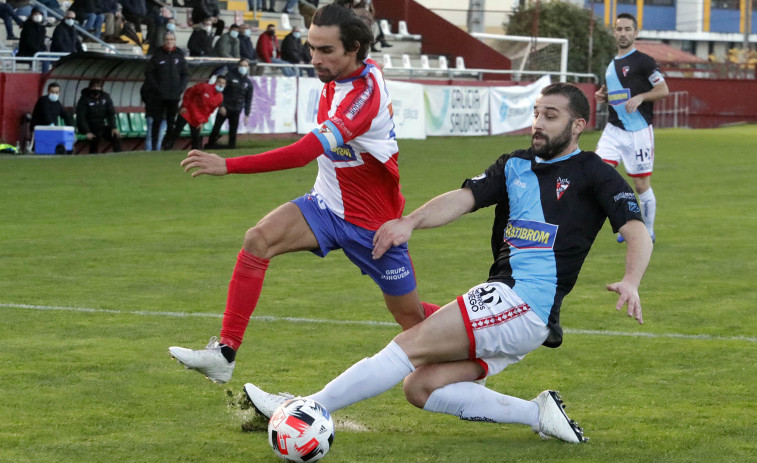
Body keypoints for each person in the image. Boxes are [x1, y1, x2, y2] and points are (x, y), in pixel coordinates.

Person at [244, 82, 654, 445]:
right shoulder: (513, 164)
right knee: (421, 387)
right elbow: (462, 199)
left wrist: (631, 280)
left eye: (551, 116)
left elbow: (636, 230)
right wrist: (410, 221)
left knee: (410, 345)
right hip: (512, 306)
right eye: (536, 113)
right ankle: (539, 413)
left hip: (525, 301)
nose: (538, 123)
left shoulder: (594, 173)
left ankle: (302, 408)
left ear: (578, 125)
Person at [169, 4, 440, 384]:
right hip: (325, 206)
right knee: (257, 239)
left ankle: (480, 327)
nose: (314, 58)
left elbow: (300, 154)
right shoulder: (343, 72)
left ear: (354, 49)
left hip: (373, 227)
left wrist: (227, 165)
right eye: (312, 47)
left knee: (410, 318)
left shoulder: (362, 98)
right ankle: (224, 354)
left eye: (325, 50)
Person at [594, 13, 668, 244]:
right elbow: (613, 93)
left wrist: (642, 97)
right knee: (597, 174)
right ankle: (623, 224)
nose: (623, 33)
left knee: (640, 184)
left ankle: (648, 231)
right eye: (619, 29)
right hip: (613, 131)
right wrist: (602, 95)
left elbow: (663, 90)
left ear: (636, 33)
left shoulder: (644, 61)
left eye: (628, 29)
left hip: (638, 132)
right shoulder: (611, 65)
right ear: (614, 33)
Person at [144, 31, 188, 150]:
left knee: (170, 121)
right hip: (159, 95)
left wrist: (180, 88)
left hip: (174, 95)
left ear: (174, 41)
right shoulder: (157, 54)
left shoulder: (179, 54)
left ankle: (168, 145)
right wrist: (157, 88)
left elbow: (185, 74)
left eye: (171, 39)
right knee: (156, 120)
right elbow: (149, 73)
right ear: (164, 41)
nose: (169, 42)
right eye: (167, 39)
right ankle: (154, 146)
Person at [165, 75, 226, 150]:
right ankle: (166, 149)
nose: (221, 84)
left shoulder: (220, 97)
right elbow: (189, 92)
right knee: (176, 132)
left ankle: (194, 156)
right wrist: (184, 106)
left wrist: (203, 122)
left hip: (198, 119)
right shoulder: (204, 87)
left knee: (196, 138)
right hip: (188, 112)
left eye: (223, 83)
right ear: (216, 82)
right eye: (219, 82)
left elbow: (209, 112)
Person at [206, 59, 252, 150]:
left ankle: (232, 147)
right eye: (242, 65)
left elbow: (248, 99)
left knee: (233, 129)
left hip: (237, 109)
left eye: (245, 66)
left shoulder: (248, 83)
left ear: (248, 67)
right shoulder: (229, 76)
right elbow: (221, 92)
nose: (243, 68)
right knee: (217, 127)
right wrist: (221, 105)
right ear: (238, 66)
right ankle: (210, 145)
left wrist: (247, 113)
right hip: (225, 107)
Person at [75, 78, 122, 154]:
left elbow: (111, 113)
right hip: (87, 126)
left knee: (115, 134)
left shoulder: (105, 97)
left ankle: (119, 154)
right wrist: (87, 131)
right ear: (90, 87)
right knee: (97, 134)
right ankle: (93, 154)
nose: (96, 89)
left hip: (100, 125)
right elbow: (81, 117)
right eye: (94, 87)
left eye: (98, 87)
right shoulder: (84, 99)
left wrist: (113, 127)